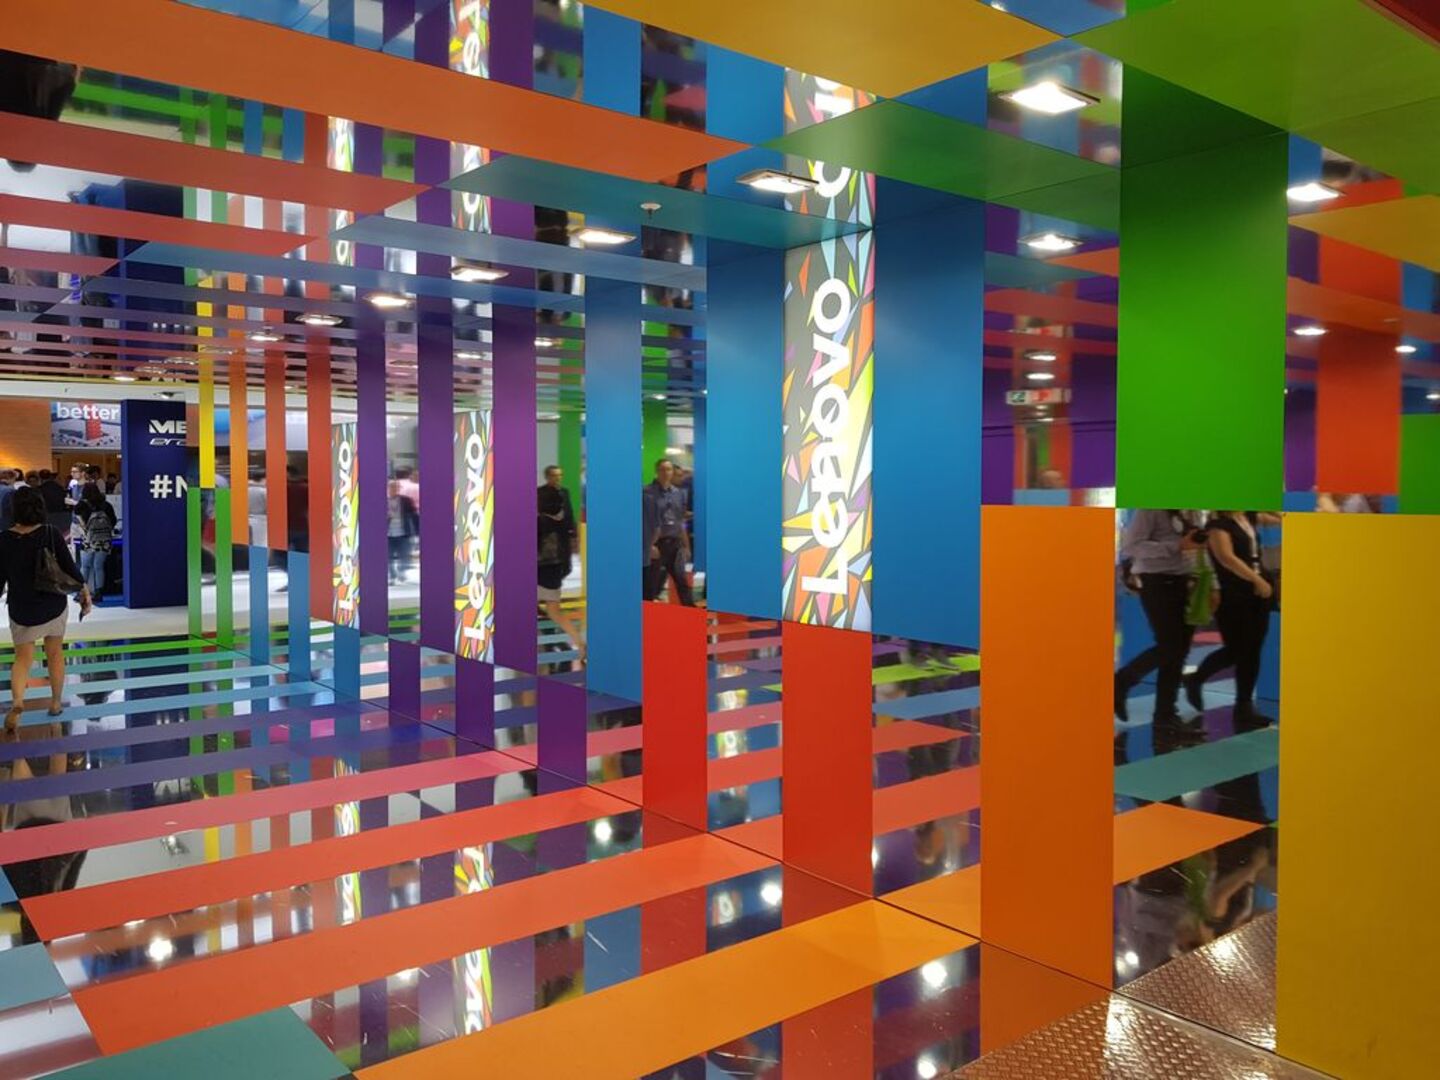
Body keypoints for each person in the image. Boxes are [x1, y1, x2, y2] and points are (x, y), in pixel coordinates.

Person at [1, 487, 90, 730]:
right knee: (55, 654)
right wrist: (84, 591)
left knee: (22, 659)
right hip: (53, 604)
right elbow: (71, 568)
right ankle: (56, 703)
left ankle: (18, 702)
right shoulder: (50, 533)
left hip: (22, 607)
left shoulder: (4, 539)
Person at [1113, 509, 1206, 731]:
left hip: (1186, 580)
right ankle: (1121, 682)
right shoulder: (1150, 509)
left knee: (1179, 651)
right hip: (1158, 582)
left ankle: (1165, 713)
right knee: (1170, 646)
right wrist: (1175, 546)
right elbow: (1131, 546)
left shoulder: (1193, 509)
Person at [1185, 512, 1277, 729]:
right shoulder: (1219, 525)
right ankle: (1196, 678)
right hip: (1234, 594)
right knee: (1237, 649)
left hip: (1259, 592)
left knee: (1253, 649)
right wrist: (1256, 580)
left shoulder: (1249, 517)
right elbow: (1227, 558)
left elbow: (1276, 518)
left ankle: (1244, 707)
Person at [537, 465, 583, 658]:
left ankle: (569, 642)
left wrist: (573, 538)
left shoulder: (544, 521)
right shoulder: (544, 518)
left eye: (560, 475)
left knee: (551, 609)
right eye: (555, 475)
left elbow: (570, 516)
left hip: (548, 564)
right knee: (553, 609)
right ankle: (574, 642)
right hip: (551, 565)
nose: (558, 478)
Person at [642, 458, 694, 605]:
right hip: (656, 544)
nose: (666, 473)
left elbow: (680, 521)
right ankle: (646, 613)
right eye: (662, 469)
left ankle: (689, 611)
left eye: (669, 469)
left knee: (681, 580)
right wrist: (649, 545)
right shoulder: (646, 492)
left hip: (675, 543)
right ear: (657, 471)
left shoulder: (679, 493)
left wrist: (686, 546)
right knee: (651, 584)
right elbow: (644, 521)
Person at [73, 481, 115, 600]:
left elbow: (78, 520)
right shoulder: (106, 505)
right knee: (99, 566)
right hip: (104, 540)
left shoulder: (82, 505)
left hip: (89, 539)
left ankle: (82, 592)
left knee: (85, 566)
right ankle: (99, 592)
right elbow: (113, 521)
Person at [36, 470, 71, 535]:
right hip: (62, 515)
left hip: (47, 516)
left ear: (40, 478)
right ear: (50, 476)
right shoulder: (59, 487)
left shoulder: (39, 489)